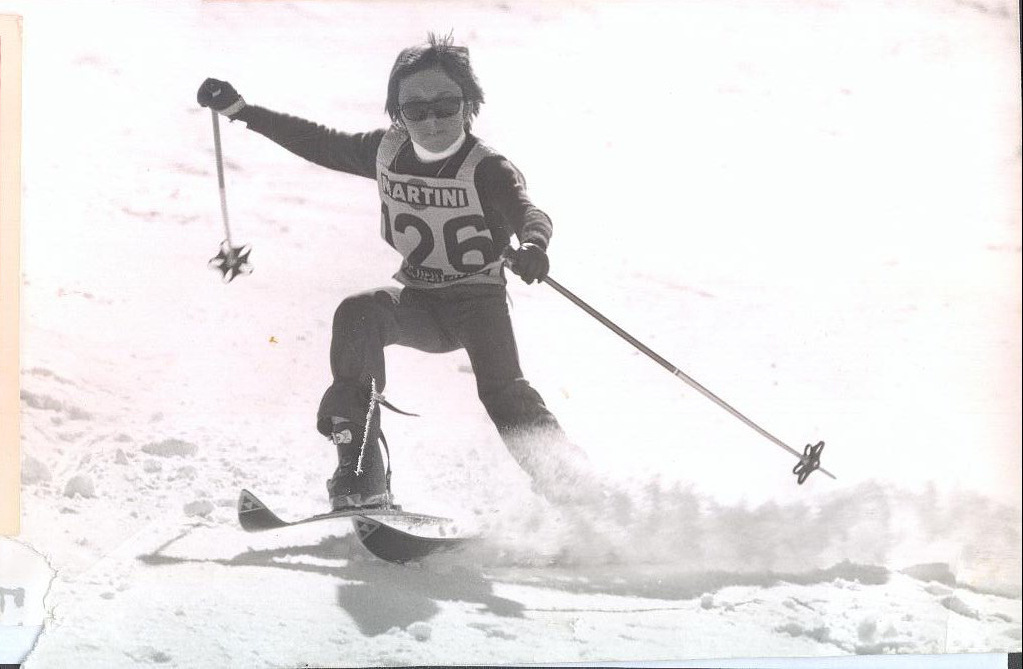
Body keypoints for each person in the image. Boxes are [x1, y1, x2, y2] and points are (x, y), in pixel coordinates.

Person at [197, 34, 594, 512]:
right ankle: (361, 478)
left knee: (503, 393)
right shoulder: (387, 151)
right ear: (398, 114)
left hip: (477, 304)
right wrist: (242, 111)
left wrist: (533, 244)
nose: (432, 121)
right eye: (415, 110)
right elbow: (318, 142)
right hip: (420, 301)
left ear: (469, 105)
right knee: (358, 314)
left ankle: (576, 492)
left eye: (446, 107)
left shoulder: (487, 168)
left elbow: (530, 212)